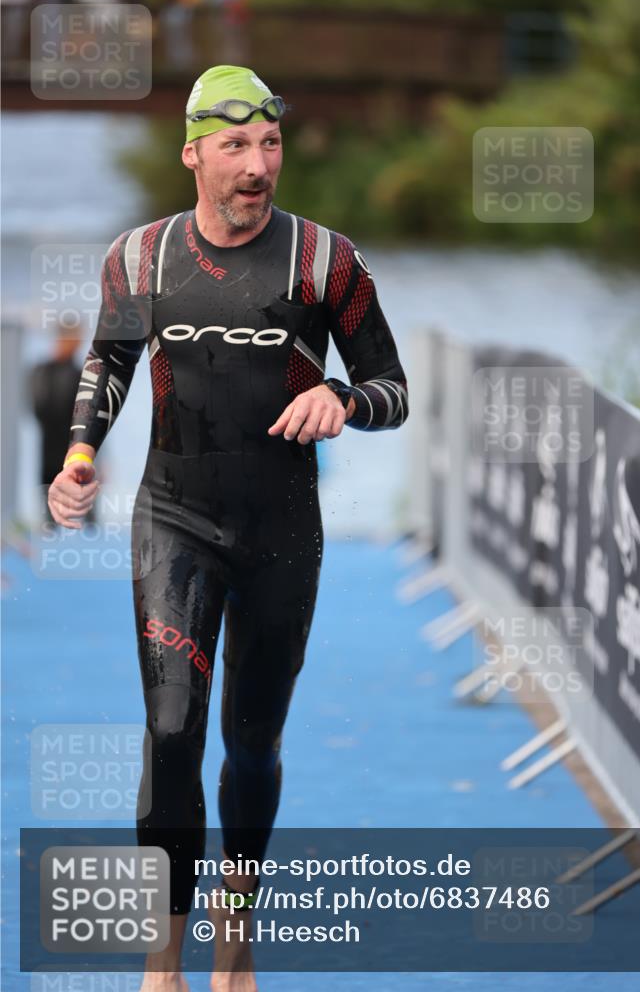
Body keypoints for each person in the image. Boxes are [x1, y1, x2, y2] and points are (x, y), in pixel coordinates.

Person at [47, 64, 409, 992]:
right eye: (236, 146)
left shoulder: (325, 260)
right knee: (171, 730)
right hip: (174, 517)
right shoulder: (140, 258)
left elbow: (393, 390)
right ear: (193, 156)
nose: (258, 165)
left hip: (281, 530)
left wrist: (341, 397)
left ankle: (234, 945)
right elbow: (109, 361)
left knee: (251, 744)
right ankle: (161, 964)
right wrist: (79, 454)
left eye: (270, 143)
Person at [28, 321, 98, 528]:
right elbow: (39, 410)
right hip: (54, 455)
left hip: (78, 455)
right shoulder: (43, 372)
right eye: (76, 338)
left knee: (88, 518)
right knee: (50, 517)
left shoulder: (80, 373)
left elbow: (92, 420)